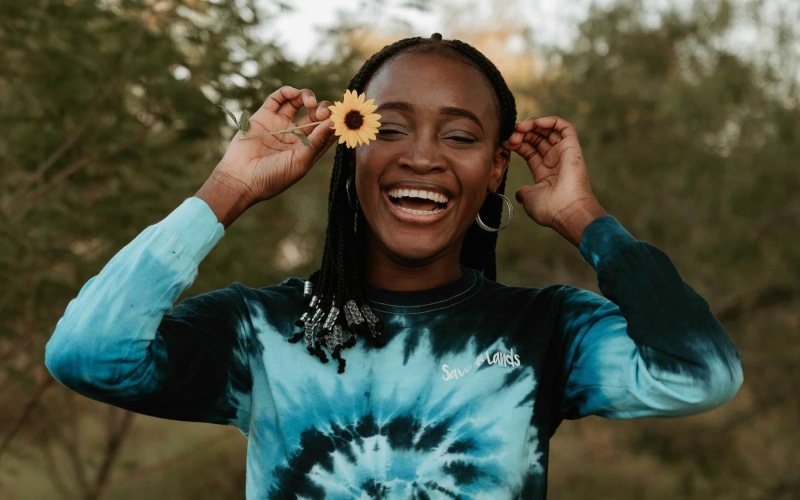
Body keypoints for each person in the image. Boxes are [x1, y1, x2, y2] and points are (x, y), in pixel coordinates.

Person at [45, 34, 743, 499]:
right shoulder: (264, 329)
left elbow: (701, 375)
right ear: (349, 151)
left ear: (497, 167)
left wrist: (587, 220)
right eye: (391, 127)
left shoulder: (546, 330)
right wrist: (227, 192)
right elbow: (88, 354)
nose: (423, 157)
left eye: (462, 136)